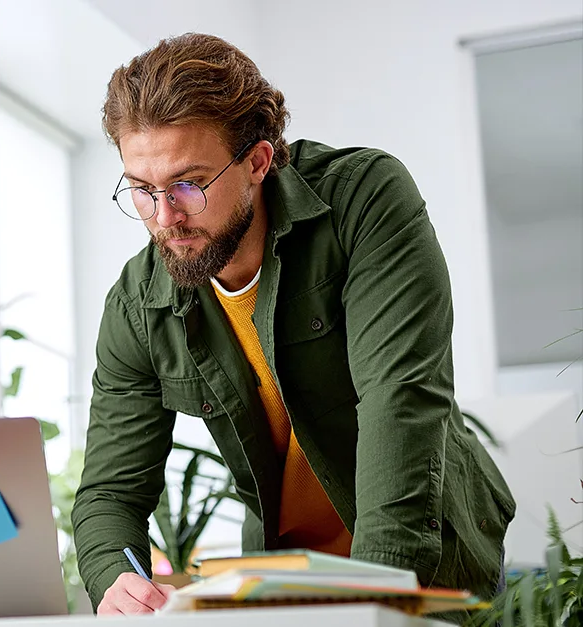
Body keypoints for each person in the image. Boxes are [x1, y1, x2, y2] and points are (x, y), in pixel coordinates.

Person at [71, 33, 515, 619]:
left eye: (188, 184)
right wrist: (115, 579)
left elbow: (400, 401)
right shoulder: (136, 306)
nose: (164, 216)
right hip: (283, 583)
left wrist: (374, 600)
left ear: (258, 161)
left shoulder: (363, 200)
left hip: (427, 562)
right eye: (142, 190)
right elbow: (111, 492)